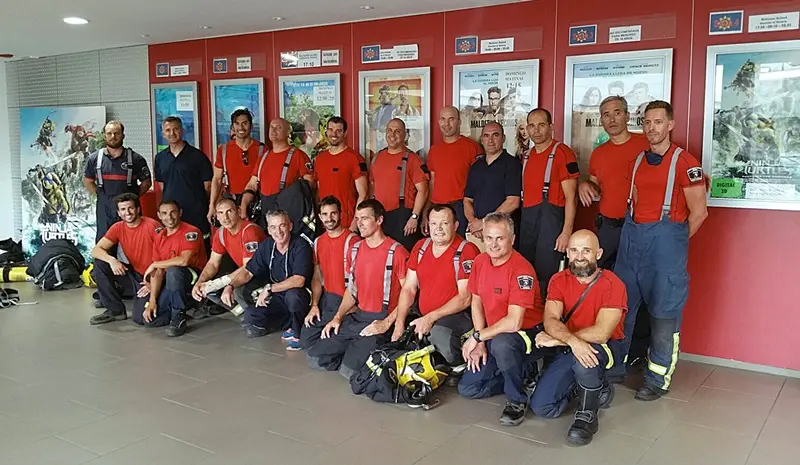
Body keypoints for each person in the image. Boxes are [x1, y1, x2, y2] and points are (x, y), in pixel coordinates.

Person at [611, 101, 708, 401]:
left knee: (664, 318)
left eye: (657, 122)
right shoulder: (638, 161)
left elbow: (699, 212)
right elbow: (637, 202)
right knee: (619, 311)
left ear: (670, 125)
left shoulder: (686, 163)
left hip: (665, 253)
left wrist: (673, 243)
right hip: (632, 247)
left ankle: (657, 378)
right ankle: (613, 369)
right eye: (647, 122)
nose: (651, 128)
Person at [529, 230, 627, 446]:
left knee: (585, 359)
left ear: (598, 253)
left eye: (586, 250)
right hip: (571, 345)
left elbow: (602, 333)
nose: (579, 256)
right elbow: (551, 320)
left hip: (605, 347)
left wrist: (560, 340)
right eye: (574, 250)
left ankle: (587, 415)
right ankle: (586, 387)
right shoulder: (558, 280)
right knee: (543, 408)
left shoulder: (613, 284)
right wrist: (571, 341)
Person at [458, 212, 543, 427]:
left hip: (526, 333)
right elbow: (476, 302)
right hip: (493, 333)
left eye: (500, 238)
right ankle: (521, 375)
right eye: (489, 238)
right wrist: (480, 341)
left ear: (512, 239)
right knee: (468, 389)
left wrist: (479, 337)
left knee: (503, 344)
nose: (493, 244)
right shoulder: (479, 261)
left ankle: (517, 399)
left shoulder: (522, 270)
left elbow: (514, 322)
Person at [307, 199, 409, 379]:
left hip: (381, 318)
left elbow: (409, 294)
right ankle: (354, 351)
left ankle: (362, 354)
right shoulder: (355, 250)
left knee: (349, 371)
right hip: (358, 316)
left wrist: (387, 323)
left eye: (365, 218)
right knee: (315, 357)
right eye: (357, 218)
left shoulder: (397, 251)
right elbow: (351, 291)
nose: (359, 223)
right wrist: (337, 318)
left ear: (379, 220)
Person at [390, 204, 480, 381]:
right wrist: (399, 323)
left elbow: (465, 298)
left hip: (458, 316)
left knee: (440, 335)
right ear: (427, 225)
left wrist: (430, 318)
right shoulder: (421, 247)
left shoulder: (466, 251)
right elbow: (408, 288)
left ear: (455, 226)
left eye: (444, 224)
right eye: (433, 224)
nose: (438, 229)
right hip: (425, 315)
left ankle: (457, 368)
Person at [578, 96, 650, 270]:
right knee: (603, 278)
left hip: (639, 227)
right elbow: (595, 188)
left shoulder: (647, 144)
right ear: (601, 120)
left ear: (627, 116)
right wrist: (584, 185)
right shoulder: (599, 153)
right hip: (608, 228)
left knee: (638, 278)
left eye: (617, 113)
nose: (612, 119)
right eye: (606, 115)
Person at [223, 210, 313, 348]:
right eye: (273, 227)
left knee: (293, 296)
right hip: (278, 296)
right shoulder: (267, 246)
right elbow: (248, 272)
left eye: (282, 225)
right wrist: (230, 286)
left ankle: (298, 331)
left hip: (300, 295)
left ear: (290, 226)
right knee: (251, 315)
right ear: (269, 230)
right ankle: (291, 322)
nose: (278, 231)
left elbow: (299, 280)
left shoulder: (300, 245)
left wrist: (270, 288)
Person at [519, 108, 579, 300]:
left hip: (551, 225)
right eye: (532, 126)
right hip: (528, 223)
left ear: (551, 127)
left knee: (546, 276)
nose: (536, 131)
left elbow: (572, 197)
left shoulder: (562, 153)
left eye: (541, 125)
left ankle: (547, 320)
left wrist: (566, 232)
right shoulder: (526, 156)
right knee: (526, 271)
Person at [88, 193, 160, 326]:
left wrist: (153, 284)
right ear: (119, 212)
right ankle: (116, 311)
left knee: (140, 319)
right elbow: (96, 250)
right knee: (100, 264)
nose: (127, 212)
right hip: (135, 274)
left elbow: (166, 258)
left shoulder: (152, 226)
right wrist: (112, 260)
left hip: (154, 277)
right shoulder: (118, 227)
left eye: (131, 208)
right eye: (123, 209)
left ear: (138, 209)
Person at [301, 196, 362, 350]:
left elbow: (361, 281)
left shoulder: (353, 241)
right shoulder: (318, 242)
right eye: (325, 214)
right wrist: (314, 305)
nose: (330, 218)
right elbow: (317, 277)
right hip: (327, 301)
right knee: (306, 339)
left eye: (333, 213)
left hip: (347, 302)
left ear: (340, 214)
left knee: (322, 348)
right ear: (320, 217)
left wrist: (353, 306)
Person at [141, 200, 208, 337]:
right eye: (164, 213)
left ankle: (179, 316)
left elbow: (184, 261)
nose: (169, 217)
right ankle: (187, 304)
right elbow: (157, 272)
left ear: (180, 213)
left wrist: (154, 264)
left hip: (193, 278)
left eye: (173, 212)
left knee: (174, 270)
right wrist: (152, 302)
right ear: (159, 215)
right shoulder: (159, 237)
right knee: (151, 320)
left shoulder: (191, 231)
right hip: (171, 281)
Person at [191, 198, 266, 315]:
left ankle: (258, 320)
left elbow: (249, 267)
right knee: (207, 289)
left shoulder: (249, 231)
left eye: (229, 211)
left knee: (237, 291)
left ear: (239, 211)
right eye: (221, 213)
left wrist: (222, 282)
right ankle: (242, 315)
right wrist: (200, 282)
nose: (225, 217)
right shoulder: (220, 232)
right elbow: (213, 263)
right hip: (245, 273)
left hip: (261, 274)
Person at [83, 120, 152, 243]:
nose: (113, 136)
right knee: (104, 245)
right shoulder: (94, 159)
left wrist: (133, 197)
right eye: (109, 133)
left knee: (132, 244)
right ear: (104, 136)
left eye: (116, 133)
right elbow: (88, 182)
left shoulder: (136, 159)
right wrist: (102, 196)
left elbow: (146, 183)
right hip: (104, 211)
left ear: (123, 135)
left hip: (129, 212)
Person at [241, 118, 315, 232]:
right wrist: (244, 206)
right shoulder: (263, 157)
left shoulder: (298, 155)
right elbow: (252, 185)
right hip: (265, 212)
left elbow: (309, 185)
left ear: (288, 133)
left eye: (278, 128)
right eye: (271, 127)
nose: (273, 130)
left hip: (289, 215)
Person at [369, 118, 429, 252]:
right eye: (389, 130)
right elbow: (372, 186)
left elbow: (423, 191)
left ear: (405, 134)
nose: (392, 135)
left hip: (404, 219)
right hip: (380, 218)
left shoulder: (413, 159)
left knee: (404, 258)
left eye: (397, 131)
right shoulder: (377, 158)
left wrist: (414, 217)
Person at [154, 116, 214, 251]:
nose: (172, 133)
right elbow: (163, 186)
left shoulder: (198, 156)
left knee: (200, 248)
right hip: (171, 214)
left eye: (175, 129)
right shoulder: (160, 158)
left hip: (195, 212)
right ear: (163, 134)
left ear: (182, 131)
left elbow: (208, 187)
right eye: (168, 130)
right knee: (173, 249)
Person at [425, 106, 483, 237]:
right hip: (437, 208)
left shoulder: (472, 148)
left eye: (451, 119)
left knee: (461, 249)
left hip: (461, 208)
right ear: (439, 122)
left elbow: (480, 184)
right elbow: (432, 183)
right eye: (443, 119)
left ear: (459, 122)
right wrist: (426, 212)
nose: (447, 124)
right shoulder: (434, 150)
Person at [463, 122, 521, 251]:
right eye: (486, 136)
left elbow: (513, 202)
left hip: (500, 235)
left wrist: (484, 223)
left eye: (495, 135)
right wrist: (473, 223)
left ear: (503, 138)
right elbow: (467, 200)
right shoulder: (476, 167)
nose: (490, 140)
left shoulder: (512, 165)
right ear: (482, 139)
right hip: (476, 234)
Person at [208, 109, 267, 222]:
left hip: (256, 203)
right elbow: (217, 179)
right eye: (237, 123)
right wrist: (212, 206)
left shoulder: (262, 150)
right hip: (231, 203)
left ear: (251, 125)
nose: (241, 127)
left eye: (244, 123)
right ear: (232, 126)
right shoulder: (223, 150)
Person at [312, 117, 368, 231]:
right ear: (326, 131)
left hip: (346, 224)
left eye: (339, 131)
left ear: (345, 133)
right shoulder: (320, 159)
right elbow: (318, 191)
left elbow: (364, 193)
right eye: (331, 130)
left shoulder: (355, 158)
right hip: (325, 223)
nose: (334, 134)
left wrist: (355, 223)